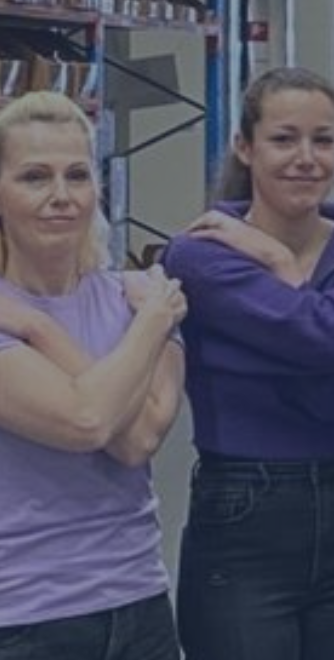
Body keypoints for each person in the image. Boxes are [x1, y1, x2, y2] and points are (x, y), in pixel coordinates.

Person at [164, 66, 334, 660]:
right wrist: (332, 258)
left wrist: (281, 270)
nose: (306, 158)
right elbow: (331, 342)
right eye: (283, 139)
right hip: (245, 518)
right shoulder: (201, 253)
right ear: (245, 147)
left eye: (322, 140)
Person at [0, 91, 185, 660]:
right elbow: (86, 422)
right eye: (35, 177)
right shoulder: (151, 305)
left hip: (142, 602)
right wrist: (154, 320)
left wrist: (39, 331)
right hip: (28, 618)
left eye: (77, 175)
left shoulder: (134, 305)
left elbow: (141, 438)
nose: (61, 196)